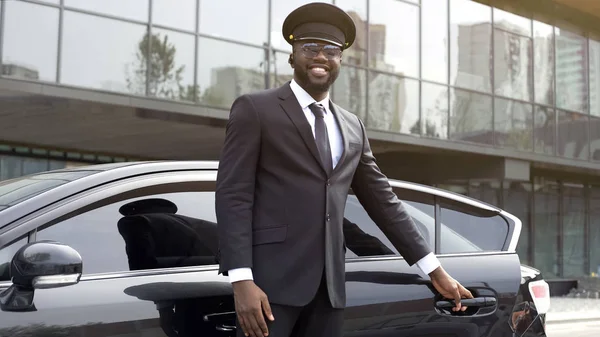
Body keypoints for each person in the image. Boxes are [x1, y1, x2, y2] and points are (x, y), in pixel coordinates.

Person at [215, 3, 473, 337]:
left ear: (340, 60)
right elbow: (233, 195)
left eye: (331, 50)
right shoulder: (256, 109)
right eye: (310, 48)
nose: (320, 57)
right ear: (293, 55)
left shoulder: (352, 127)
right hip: (269, 289)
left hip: (330, 291)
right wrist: (241, 280)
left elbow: (383, 201)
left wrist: (434, 270)